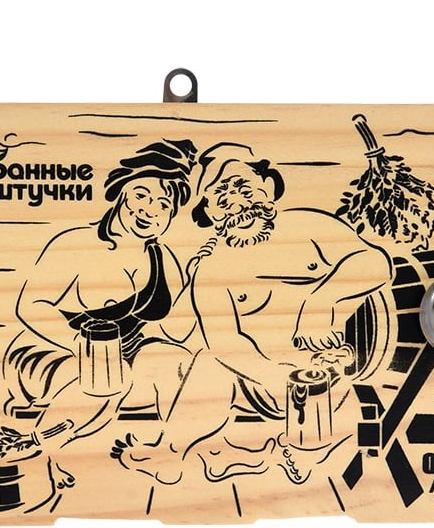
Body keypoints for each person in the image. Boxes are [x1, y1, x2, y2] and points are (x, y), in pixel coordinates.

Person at [113, 144, 407, 482]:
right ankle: (176, 453)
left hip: (337, 373)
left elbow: (376, 262)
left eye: (242, 186)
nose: (235, 201)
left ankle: (225, 453)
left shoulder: (308, 225)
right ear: (208, 211)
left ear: (267, 186)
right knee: (208, 362)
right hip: (265, 385)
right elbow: (225, 342)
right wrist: (281, 376)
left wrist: (321, 304)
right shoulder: (212, 270)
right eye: (220, 195)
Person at [0, 139, 198, 474]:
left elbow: (177, 329)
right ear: (121, 191)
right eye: (141, 195)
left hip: (126, 353)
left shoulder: (163, 258)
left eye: (163, 204)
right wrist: (85, 348)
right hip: (51, 349)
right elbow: (30, 305)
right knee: (104, 379)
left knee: (179, 364)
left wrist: (196, 285)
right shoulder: (76, 243)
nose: (149, 210)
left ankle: (171, 453)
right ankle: (36, 445)